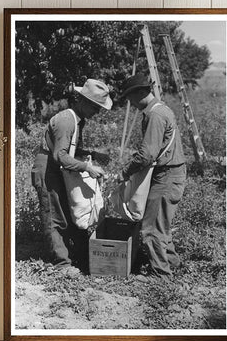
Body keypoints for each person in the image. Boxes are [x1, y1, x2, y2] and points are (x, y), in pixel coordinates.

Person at [31, 79, 112, 273]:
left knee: (68, 212)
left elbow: (70, 149)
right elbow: (60, 155)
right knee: (54, 216)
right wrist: (87, 167)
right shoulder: (66, 120)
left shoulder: (77, 120)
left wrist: (92, 153)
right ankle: (62, 263)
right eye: (95, 107)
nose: (97, 112)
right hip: (47, 169)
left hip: (58, 168)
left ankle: (79, 256)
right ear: (81, 101)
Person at [120, 73, 187, 279]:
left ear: (140, 93)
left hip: (166, 175)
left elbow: (147, 154)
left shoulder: (154, 115)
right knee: (160, 223)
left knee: (151, 228)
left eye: (130, 97)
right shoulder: (160, 109)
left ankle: (161, 275)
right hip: (170, 172)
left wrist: (126, 171)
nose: (130, 103)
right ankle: (173, 263)